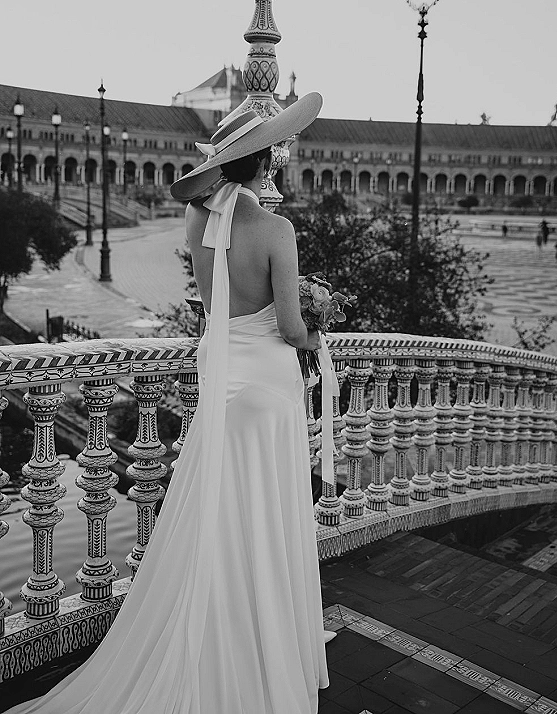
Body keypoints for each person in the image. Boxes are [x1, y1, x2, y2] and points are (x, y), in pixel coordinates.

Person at [6, 93, 329, 713]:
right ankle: (265, 642)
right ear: (268, 165)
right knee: (267, 509)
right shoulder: (277, 229)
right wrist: (318, 332)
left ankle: (213, 629)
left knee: (219, 510)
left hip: (220, 376)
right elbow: (290, 328)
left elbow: (213, 304)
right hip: (267, 384)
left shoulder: (197, 227)